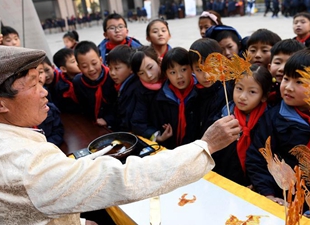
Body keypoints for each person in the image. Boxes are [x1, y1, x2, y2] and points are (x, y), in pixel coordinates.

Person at [0, 45, 241, 225]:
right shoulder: (24, 164)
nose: (44, 93)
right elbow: (123, 178)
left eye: (42, 82)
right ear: (2, 104)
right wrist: (206, 146)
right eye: (34, 85)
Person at [246, 48, 310, 205]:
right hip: (285, 199)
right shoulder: (272, 119)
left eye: (299, 82)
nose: (288, 87)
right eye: (286, 79)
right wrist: (268, 194)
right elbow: (257, 158)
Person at [212, 64, 272, 186]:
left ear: (264, 96)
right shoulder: (224, 115)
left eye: (252, 92)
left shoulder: (269, 121)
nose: (243, 97)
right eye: (239, 88)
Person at [153, 47, 198, 149]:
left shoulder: (200, 93)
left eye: (183, 70)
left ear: (191, 68)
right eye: (173, 72)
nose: (179, 76)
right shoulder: (162, 97)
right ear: (166, 74)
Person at [189, 38, 234, 138]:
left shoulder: (229, 92)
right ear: (192, 69)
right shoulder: (193, 95)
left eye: (211, 68)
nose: (206, 75)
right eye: (199, 70)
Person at [73, 41, 117, 127]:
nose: (91, 69)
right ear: (79, 67)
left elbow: (121, 105)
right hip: (93, 125)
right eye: (84, 66)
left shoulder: (112, 77)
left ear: (101, 60)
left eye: (94, 63)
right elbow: (83, 107)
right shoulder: (78, 82)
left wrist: (108, 120)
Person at [130, 46, 168, 141]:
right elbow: (138, 122)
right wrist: (157, 136)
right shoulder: (141, 91)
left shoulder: (173, 78)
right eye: (141, 73)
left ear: (159, 61)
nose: (149, 75)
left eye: (150, 68)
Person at [106, 45, 139, 132]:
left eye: (117, 68)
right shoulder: (121, 85)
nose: (112, 73)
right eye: (110, 68)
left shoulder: (133, 89)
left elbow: (127, 118)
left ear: (131, 68)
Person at [267, 39, 305, 106]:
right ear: (269, 67)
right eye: (277, 62)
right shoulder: (263, 88)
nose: (282, 68)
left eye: (289, 64)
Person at [36, 64, 65, 146]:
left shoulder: (48, 100)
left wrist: (46, 146)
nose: (39, 77)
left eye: (40, 72)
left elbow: (58, 130)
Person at [52, 48, 81, 113]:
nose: (78, 62)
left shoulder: (88, 76)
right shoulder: (61, 87)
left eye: (77, 59)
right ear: (63, 69)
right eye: (73, 61)